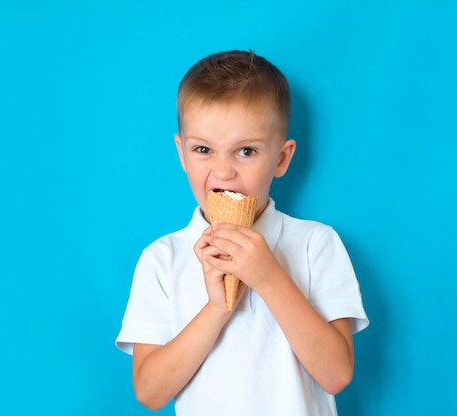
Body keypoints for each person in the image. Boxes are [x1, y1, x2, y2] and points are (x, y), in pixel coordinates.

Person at [116, 49, 369, 416]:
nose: (223, 171)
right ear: (182, 154)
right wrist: (216, 309)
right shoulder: (162, 258)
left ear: (281, 159)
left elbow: (336, 375)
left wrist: (268, 277)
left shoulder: (316, 243)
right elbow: (150, 394)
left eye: (246, 151)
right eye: (203, 149)